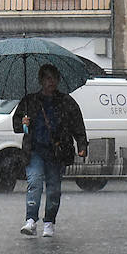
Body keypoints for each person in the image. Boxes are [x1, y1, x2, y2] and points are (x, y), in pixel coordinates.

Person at [14, 64, 88, 237]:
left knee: (54, 189)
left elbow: (77, 125)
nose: (51, 82)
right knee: (35, 182)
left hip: (56, 152)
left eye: (53, 78)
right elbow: (17, 124)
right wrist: (23, 124)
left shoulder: (66, 102)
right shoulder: (30, 101)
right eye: (47, 78)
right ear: (41, 80)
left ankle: (49, 222)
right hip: (34, 150)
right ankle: (31, 219)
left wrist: (82, 145)